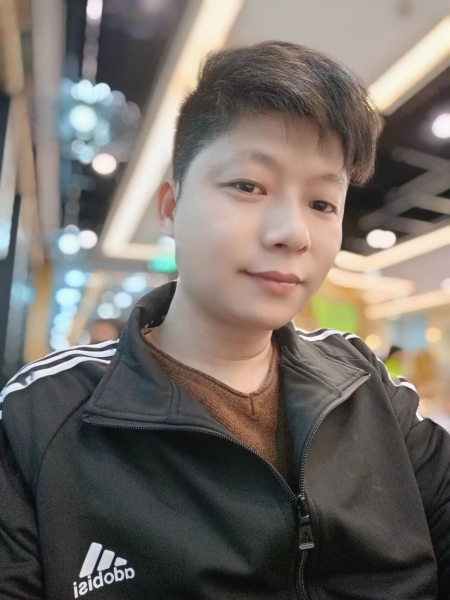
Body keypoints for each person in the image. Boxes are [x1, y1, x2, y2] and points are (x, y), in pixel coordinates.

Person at [0, 41, 449, 600]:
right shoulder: (42, 415)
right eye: (248, 186)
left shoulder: (364, 383)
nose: (293, 233)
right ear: (171, 208)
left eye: (322, 203)